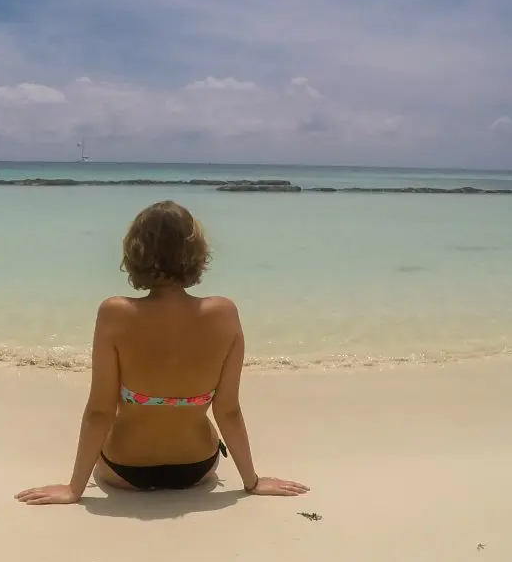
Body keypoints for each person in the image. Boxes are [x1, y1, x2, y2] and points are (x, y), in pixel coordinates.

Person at [15, 200, 310, 506]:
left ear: (134, 252)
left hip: (124, 470)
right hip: (196, 469)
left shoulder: (116, 313)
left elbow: (100, 411)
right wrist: (253, 482)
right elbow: (228, 410)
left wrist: (74, 489)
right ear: (197, 254)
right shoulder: (224, 313)